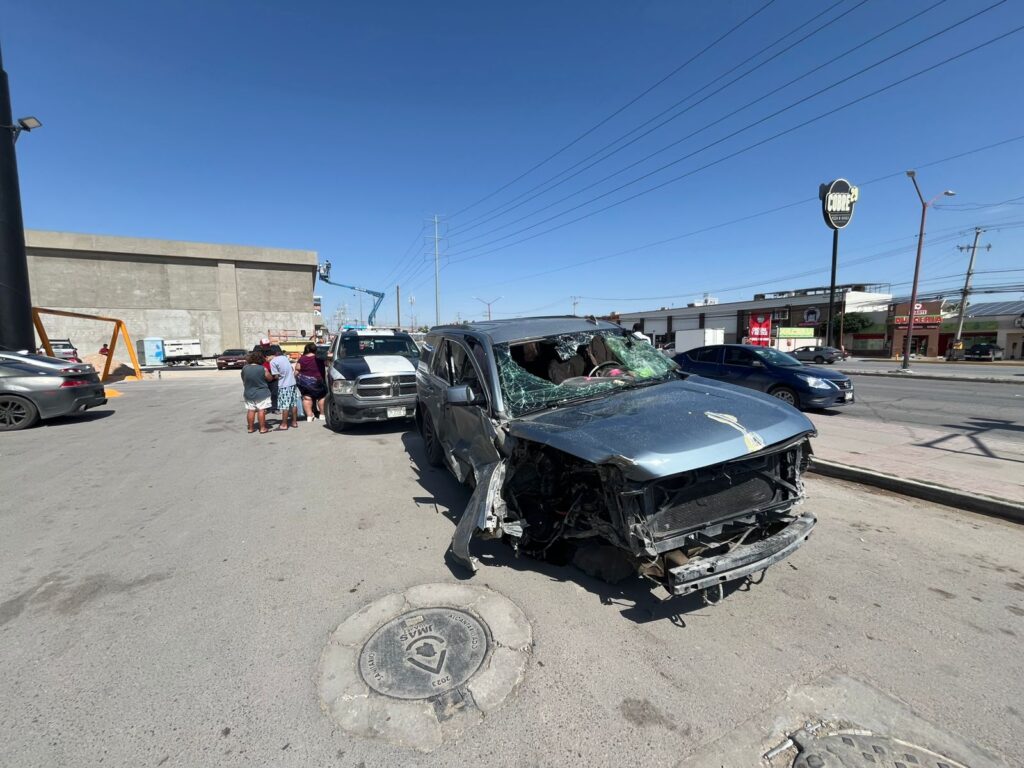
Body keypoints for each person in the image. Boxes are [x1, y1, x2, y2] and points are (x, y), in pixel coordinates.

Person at [241, 350, 273, 433]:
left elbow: (243, 379)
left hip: (248, 392)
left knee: (251, 410)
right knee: (261, 410)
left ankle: (250, 428)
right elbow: (270, 378)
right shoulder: (263, 368)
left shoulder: (245, 368)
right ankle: (262, 428)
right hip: (262, 393)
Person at [269, 345, 299, 430]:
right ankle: (294, 422)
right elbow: (291, 369)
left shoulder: (273, 362)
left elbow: (276, 376)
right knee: (293, 404)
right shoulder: (285, 358)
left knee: (284, 405)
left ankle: (284, 424)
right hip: (292, 383)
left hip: (283, 385)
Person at [294, 342, 326, 421]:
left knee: (307, 398)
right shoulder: (319, 358)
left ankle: (309, 416)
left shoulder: (302, 359)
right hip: (318, 380)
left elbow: (297, 370)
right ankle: (322, 415)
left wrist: (295, 378)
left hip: (305, 382)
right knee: (321, 397)